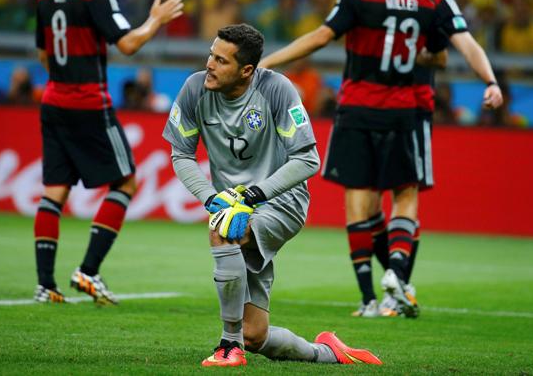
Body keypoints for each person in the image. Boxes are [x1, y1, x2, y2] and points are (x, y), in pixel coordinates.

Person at [163, 23, 381, 367]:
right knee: (255, 334)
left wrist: (252, 196)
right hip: (235, 204)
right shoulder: (194, 89)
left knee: (224, 228)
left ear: (246, 70)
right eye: (211, 55)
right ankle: (328, 352)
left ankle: (227, 346)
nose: (209, 64)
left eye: (221, 60)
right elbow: (181, 154)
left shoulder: (277, 89)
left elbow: (308, 159)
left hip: (282, 201)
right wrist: (209, 197)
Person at [259, 0, 448, 319]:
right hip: (403, 110)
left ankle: (368, 299)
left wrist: (268, 62)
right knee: (404, 197)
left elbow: (321, 36)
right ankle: (398, 279)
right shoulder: (431, 2)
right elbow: (442, 55)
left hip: (358, 108)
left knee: (359, 202)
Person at [33, 0, 183, 304]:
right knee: (125, 182)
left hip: (53, 102)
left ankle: (44, 285)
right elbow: (128, 44)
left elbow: (43, 54)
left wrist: (64, 81)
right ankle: (88, 270)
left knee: (54, 191)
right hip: (88, 104)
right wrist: (156, 21)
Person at [388, 0, 504, 316]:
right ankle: (397, 281)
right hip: (390, 109)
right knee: (400, 198)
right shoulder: (416, 0)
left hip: (386, 108)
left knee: (391, 197)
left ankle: (395, 284)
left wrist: (490, 79)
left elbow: (455, 49)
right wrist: (489, 80)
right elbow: (456, 49)